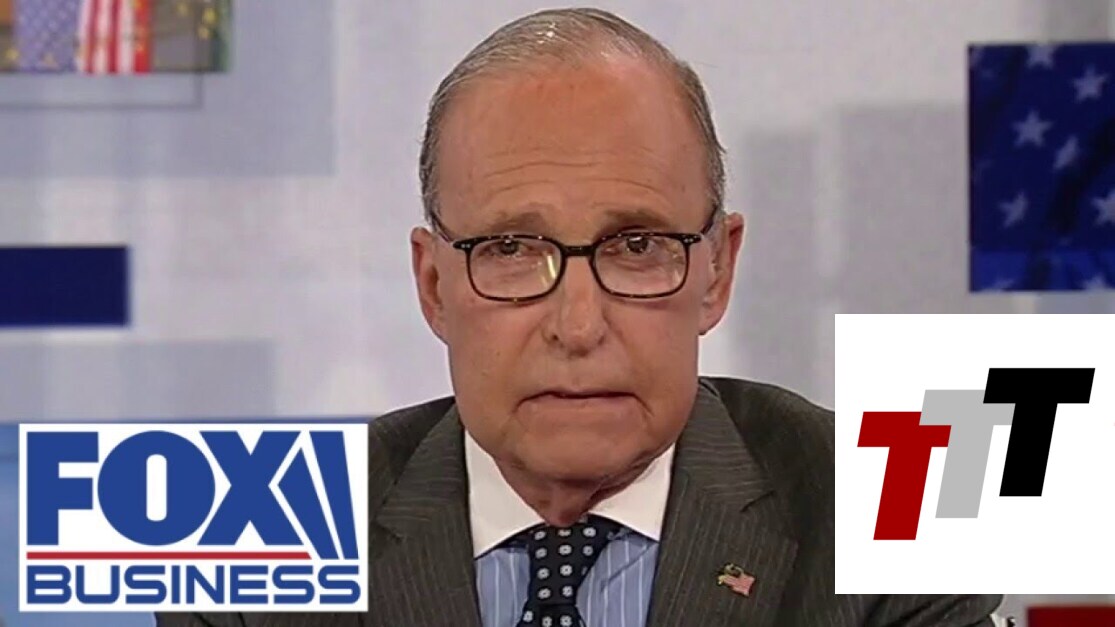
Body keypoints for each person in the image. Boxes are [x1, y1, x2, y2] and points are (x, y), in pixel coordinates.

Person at [158, 7, 1002, 627]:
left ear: (716, 271)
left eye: (636, 246)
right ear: (433, 284)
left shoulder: (891, 513)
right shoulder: (253, 551)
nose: (577, 323)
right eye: (510, 248)